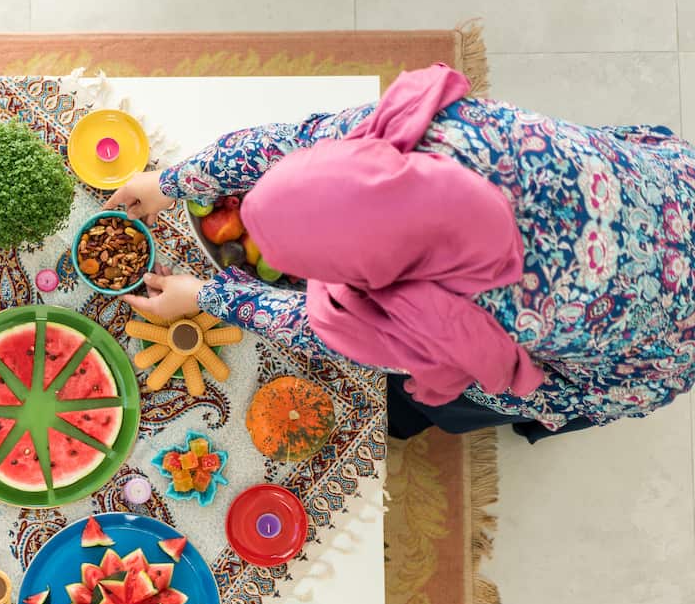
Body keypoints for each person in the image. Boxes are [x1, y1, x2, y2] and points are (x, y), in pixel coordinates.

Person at [108, 63, 695, 442]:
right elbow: (299, 140)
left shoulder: (451, 321)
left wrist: (206, 295)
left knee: (461, 395)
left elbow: (318, 328)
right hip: (664, 191)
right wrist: (172, 181)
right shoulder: (435, 129)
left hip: (655, 344)